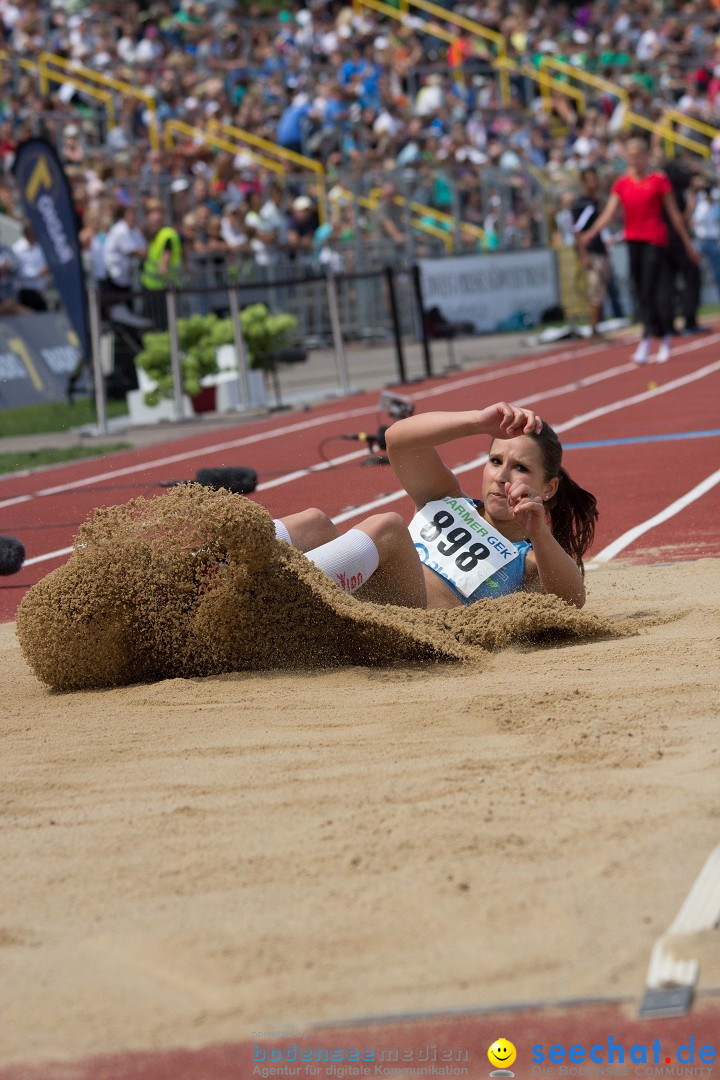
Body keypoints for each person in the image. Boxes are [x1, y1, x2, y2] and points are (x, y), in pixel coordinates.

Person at [270, 403, 597, 611]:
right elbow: (397, 438)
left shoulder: (530, 558)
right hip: (360, 592)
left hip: (408, 621)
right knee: (315, 522)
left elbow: (572, 600)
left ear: (549, 488)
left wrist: (538, 530)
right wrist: (477, 422)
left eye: (520, 468)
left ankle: (278, 598)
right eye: (496, 461)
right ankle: (232, 563)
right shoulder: (447, 498)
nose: (501, 477)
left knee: (389, 526)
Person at [578, 136, 699, 365]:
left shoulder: (659, 181)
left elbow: (673, 215)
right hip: (632, 240)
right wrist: (592, 232)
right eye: (630, 154)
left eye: (637, 154)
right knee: (640, 292)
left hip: (654, 240)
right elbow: (608, 212)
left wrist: (687, 245)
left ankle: (660, 337)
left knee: (653, 289)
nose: (633, 159)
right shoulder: (622, 184)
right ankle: (648, 338)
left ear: (645, 156)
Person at [572, 167, 612, 337]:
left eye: (594, 179)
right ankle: (594, 330)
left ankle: (598, 327)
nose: (593, 183)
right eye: (589, 179)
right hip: (591, 252)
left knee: (601, 291)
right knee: (595, 292)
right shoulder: (582, 204)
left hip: (601, 250)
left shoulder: (597, 201)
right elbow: (578, 231)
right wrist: (583, 255)